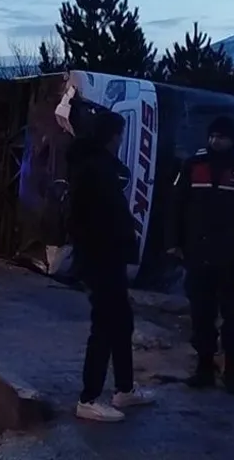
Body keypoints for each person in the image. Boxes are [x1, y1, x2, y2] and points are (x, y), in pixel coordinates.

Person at [70, 110, 155, 422]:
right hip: (100, 260)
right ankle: (89, 398)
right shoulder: (92, 171)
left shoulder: (101, 167)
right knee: (104, 326)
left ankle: (125, 389)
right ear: (109, 136)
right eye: (119, 135)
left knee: (122, 324)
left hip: (110, 258)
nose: (121, 141)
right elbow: (84, 219)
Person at [166, 116, 234, 394]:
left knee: (233, 317)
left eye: (221, 137)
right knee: (201, 315)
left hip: (233, 257)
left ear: (232, 139)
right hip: (198, 253)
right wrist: (173, 241)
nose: (216, 141)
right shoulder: (193, 165)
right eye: (213, 136)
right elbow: (176, 205)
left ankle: (232, 372)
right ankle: (204, 368)